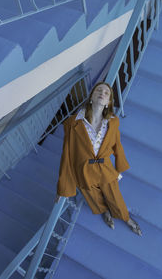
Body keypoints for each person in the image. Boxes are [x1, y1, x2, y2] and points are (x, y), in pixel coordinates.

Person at [56, 82, 142, 236]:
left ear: (109, 102)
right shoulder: (72, 123)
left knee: (115, 196)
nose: (102, 93)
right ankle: (104, 212)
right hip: (83, 171)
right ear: (91, 97)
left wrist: (120, 164)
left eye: (107, 93)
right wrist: (63, 187)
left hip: (105, 169)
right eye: (99, 90)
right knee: (93, 197)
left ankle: (126, 218)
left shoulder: (113, 122)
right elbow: (67, 154)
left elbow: (117, 144)